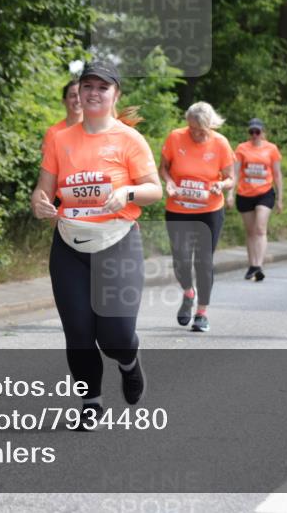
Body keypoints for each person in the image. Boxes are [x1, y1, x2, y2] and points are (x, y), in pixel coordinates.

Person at [30, 62, 161, 429]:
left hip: (116, 241)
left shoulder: (128, 139)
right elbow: (43, 189)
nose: (93, 93)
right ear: (79, 93)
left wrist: (128, 191)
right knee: (78, 332)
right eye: (87, 86)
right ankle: (91, 401)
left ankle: (128, 362)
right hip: (69, 245)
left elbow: (154, 189)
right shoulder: (60, 139)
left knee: (115, 334)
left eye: (102, 87)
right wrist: (40, 203)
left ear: (115, 94)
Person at [160, 102, 235, 333]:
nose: (195, 134)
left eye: (201, 130)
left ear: (210, 125)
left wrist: (221, 185)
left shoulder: (220, 143)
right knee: (181, 259)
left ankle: (202, 312)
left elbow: (231, 178)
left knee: (203, 261)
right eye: (191, 129)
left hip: (209, 211)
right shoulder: (175, 138)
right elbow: (163, 168)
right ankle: (188, 293)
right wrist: (170, 182)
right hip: (179, 209)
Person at [227, 118, 282, 282]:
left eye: (257, 132)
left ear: (263, 132)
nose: (254, 135)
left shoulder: (271, 149)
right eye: (251, 132)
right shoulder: (241, 148)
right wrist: (229, 194)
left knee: (260, 228)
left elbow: (277, 174)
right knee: (250, 231)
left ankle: (259, 265)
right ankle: (252, 265)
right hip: (245, 194)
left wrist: (280, 198)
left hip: (265, 192)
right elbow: (235, 174)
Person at [41, 78, 82, 157]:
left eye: (80, 95)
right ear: (64, 101)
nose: (78, 100)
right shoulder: (53, 133)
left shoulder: (95, 130)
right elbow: (47, 166)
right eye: (72, 96)